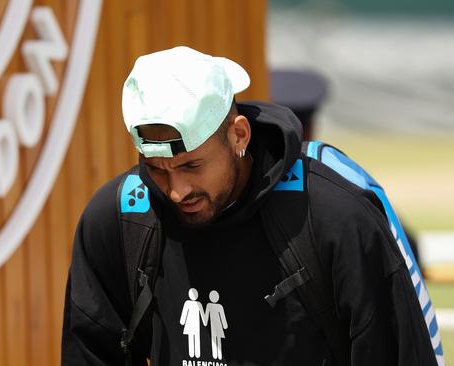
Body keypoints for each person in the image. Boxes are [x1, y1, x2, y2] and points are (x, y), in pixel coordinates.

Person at [61, 46, 437, 365]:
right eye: (157, 169)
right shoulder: (121, 219)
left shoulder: (333, 217)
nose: (176, 191)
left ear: (239, 134)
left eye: (192, 165)